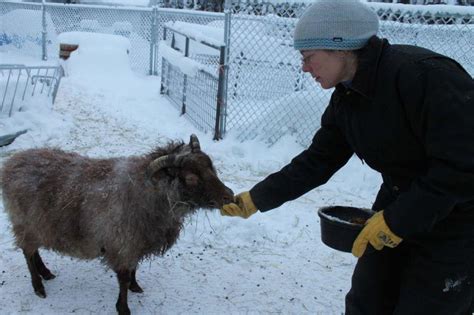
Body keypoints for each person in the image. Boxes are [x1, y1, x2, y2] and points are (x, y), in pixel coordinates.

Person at [220, 0, 474, 314]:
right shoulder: (348, 96)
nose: (304, 67)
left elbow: (462, 167)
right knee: (366, 300)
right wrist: (256, 199)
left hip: (459, 217)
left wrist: (398, 220)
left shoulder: (425, 77)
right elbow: (318, 160)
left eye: (308, 56)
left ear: (340, 48)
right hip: (399, 202)